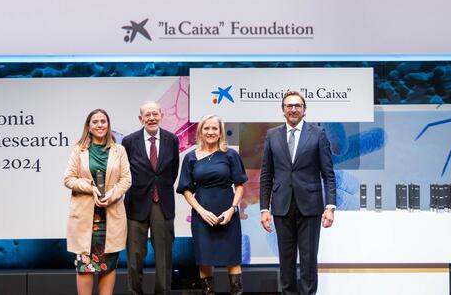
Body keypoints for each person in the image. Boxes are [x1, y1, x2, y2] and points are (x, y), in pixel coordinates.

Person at [259, 91, 336, 295]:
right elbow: (267, 174)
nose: (293, 109)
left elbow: (328, 173)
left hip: (310, 206)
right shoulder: (272, 135)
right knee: (286, 260)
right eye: (289, 105)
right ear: (283, 110)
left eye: (297, 105)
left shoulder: (318, 134)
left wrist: (330, 207)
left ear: (304, 109)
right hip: (282, 206)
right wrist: (264, 209)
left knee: (309, 260)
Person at [64, 109, 132, 295]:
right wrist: (91, 187)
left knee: (107, 266)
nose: (100, 125)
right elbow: (68, 179)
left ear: (108, 125)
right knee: (85, 267)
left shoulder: (120, 150)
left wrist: (112, 194)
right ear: (89, 126)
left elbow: (126, 179)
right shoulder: (79, 150)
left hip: (110, 217)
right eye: (95, 122)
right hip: (85, 218)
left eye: (103, 121)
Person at [178, 114, 247, 295]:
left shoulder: (230, 154)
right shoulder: (190, 157)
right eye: (206, 128)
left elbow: (239, 185)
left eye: (214, 128)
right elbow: (186, 190)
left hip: (228, 213)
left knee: (232, 259)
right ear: (200, 131)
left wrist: (232, 210)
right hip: (202, 215)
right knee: (205, 259)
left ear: (220, 132)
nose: (210, 132)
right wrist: (201, 211)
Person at [122, 101, 180, 295]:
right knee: (135, 255)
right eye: (147, 115)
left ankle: (162, 292)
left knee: (164, 256)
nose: (152, 118)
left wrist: (158, 189)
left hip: (162, 204)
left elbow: (173, 172)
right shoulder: (129, 141)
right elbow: (126, 172)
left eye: (155, 114)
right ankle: (134, 292)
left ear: (161, 115)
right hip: (136, 204)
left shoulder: (172, 139)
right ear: (141, 119)